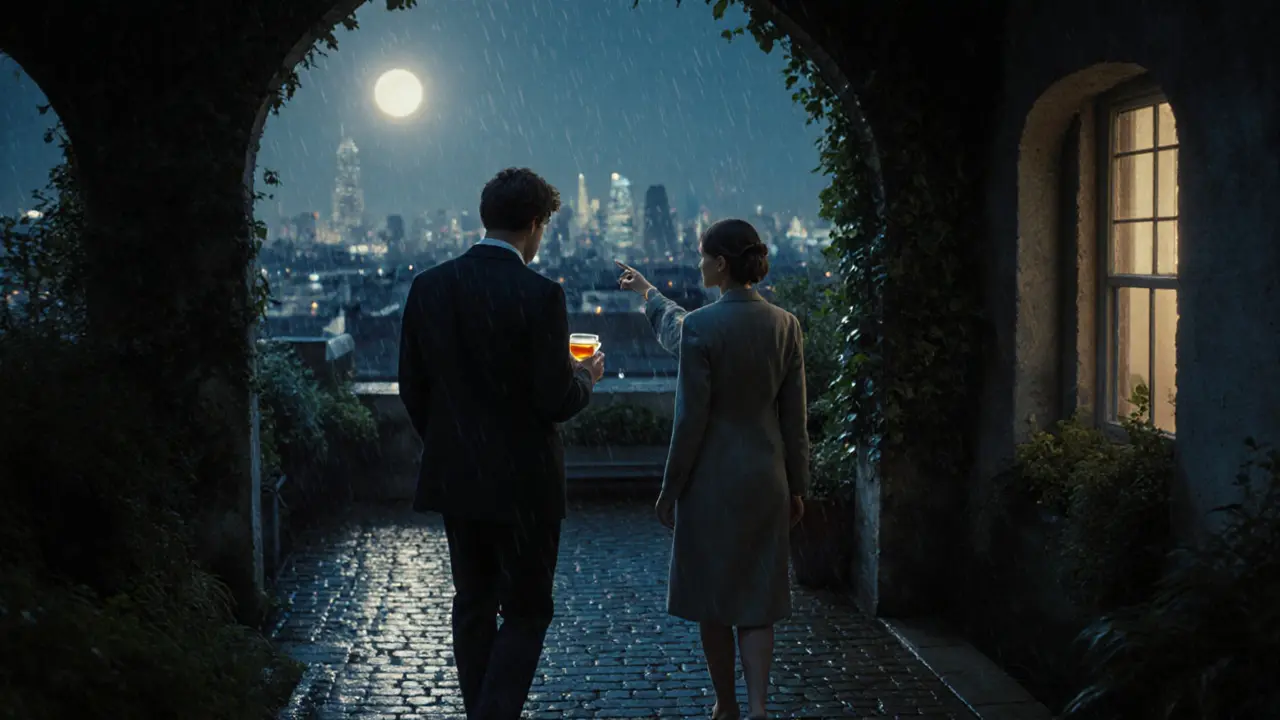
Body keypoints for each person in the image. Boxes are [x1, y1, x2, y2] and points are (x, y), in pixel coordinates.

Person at [398, 167, 606, 720]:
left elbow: (412, 388)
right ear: (536, 223)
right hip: (526, 484)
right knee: (527, 609)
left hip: (458, 477)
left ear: (485, 216)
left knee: (472, 604)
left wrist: (450, 442)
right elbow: (554, 400)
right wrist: (585, 378)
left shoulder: (430, 286)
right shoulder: (541, 295)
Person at [616, 219, 810, 720]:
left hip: (712, 481)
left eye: (703, 256)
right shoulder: (785, 325)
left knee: (714, 598)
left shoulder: (701, 327)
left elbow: (690, 421)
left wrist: (670, 489)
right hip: (766, 476)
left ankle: (726, 704)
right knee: (758, 597)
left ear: (721, 264)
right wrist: (798, 487)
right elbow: (795, 420)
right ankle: (760, 706)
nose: (698, 263)